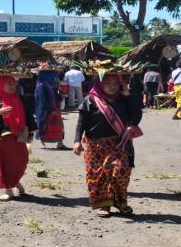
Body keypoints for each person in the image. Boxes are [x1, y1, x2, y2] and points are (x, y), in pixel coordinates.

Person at [73, 74, 142, 217]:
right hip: (95, 146)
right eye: (108, 83)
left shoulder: (124, 99)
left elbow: (137, 113)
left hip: (118, 143)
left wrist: (128, 96)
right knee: (99, 176)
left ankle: (120, 202)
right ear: (99, 84)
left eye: (115, 83)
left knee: (120, 171)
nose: (112, 86)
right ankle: (105, 205)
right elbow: (81, 122)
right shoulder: (90, 100)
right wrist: (77, 141)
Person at [0, 75, 37, 201]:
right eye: (8, 83)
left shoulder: (20, 99)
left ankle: (15, 182)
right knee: (4, 164)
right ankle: (8, 190)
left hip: (18, 136)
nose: (12, 86)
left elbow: (28, 116)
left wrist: (31, 132)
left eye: (13, 83)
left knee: (20, 162)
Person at [35, 70, 67, 149]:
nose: (56, 79)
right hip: (46, 110)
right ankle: (42, 141)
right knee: (45, 125)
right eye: (54, 76)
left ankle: (60, 142)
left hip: (55, 108)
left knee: (59, 125)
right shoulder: (41, 86)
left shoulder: (52, 85)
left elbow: (56, 96)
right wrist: (50, 110)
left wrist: (61, 96)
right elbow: (42, 99)